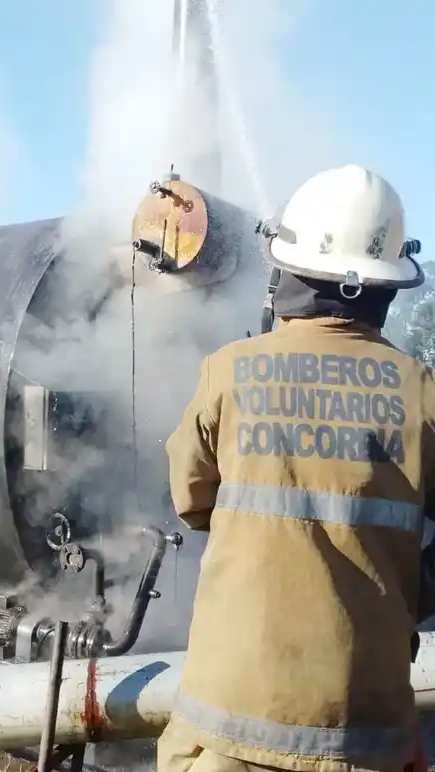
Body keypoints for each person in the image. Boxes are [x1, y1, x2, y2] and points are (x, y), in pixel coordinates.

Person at [157, 164, 435, 772]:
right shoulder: (422, 393)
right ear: (389, 289)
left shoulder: (229, 372)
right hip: (363, 730)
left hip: (226, 723)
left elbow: (190, 499)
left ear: (288, 276)